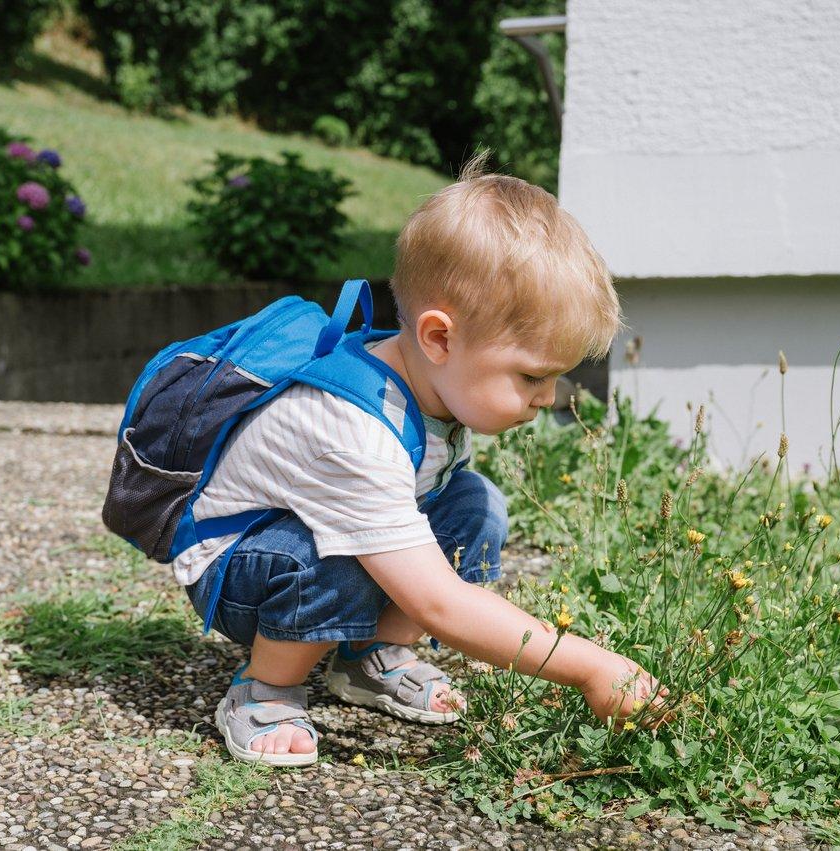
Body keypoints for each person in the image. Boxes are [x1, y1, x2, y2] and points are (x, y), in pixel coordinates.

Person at [179, 153, 666, 766]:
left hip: (315, 540)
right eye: (533, 375)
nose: (549, 397)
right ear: (440, 338)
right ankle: (265, 687)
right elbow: (440, 602)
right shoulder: (351, 430)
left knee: (473, 503)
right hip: (241, 568)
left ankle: (367, 659)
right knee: (346, 558)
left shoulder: (434, 382)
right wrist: (591, 667)